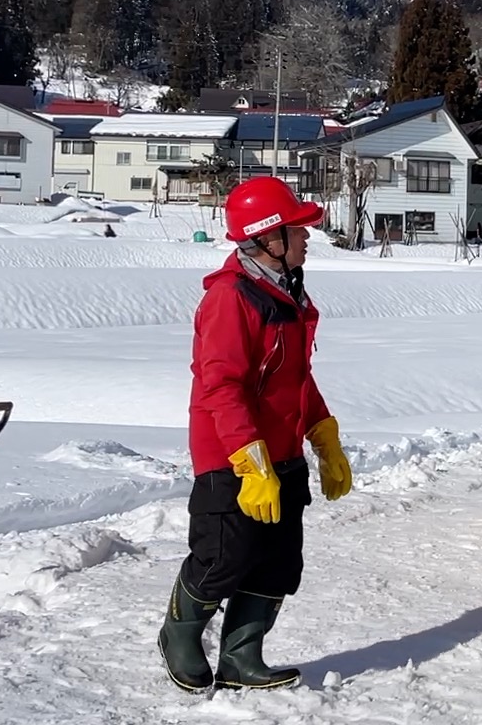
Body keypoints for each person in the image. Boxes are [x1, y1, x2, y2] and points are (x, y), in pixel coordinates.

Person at [157, 175, 354, 694]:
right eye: (297, 228)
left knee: (279, 562)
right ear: (268, 237)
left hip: (283, 451)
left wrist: (323, 434)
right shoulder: (230, 298)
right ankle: (178, 635)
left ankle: (242, 656)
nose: (307, 236)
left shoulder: (285, 294)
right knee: (223, 558)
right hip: (231, 454)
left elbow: (295, 378)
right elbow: (220, 386)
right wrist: (249, 461)